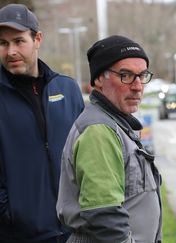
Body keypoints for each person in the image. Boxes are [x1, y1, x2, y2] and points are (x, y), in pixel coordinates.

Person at [56, 35, 162, 243]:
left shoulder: (116, 125)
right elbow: (104, 218)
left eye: (142, 75)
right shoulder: (99, 130)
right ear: (98, 80)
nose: (138, 86)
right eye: (125, 75)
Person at [0, 4, 84, 243]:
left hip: (74, 233)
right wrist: (11, 217)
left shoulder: (67, 89)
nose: (10, 51)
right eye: (3, 43)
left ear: (37, 39)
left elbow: (84, 157)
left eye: (18, 41)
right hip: (19, 235)